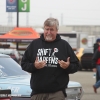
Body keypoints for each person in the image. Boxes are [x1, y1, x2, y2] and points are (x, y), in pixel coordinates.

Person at [21, 17, 79, 100]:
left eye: (51, 29)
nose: (48, 32)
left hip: (56, 93)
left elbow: (76, 65)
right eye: (46, 29)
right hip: (37, 93)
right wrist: (34, 66)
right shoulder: (35, 44)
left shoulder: (64, 45)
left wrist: (68, 67)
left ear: (56, 31)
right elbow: (23, 64)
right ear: (43, 29)